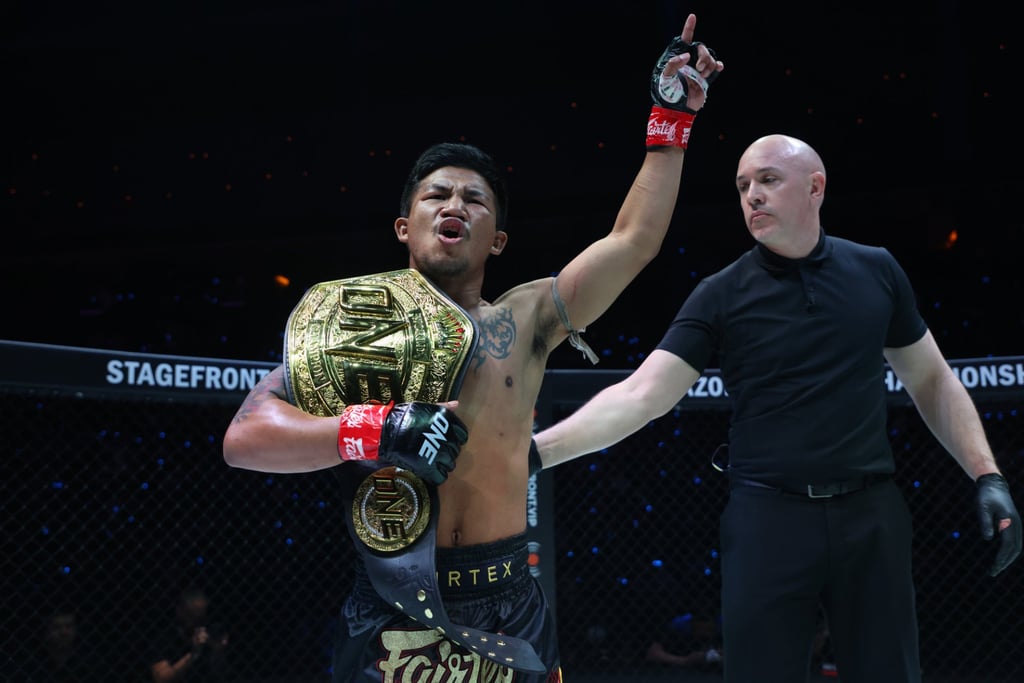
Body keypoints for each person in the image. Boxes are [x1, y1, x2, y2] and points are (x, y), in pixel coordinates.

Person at [222, 13, 723, 683]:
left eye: (474, 197)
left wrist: (670, 123)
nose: (453, 201)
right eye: (436, 193)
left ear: (498, 240)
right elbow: (245, 437)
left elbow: (633, 241)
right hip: (392, 606)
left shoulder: (528, 317)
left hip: (508, 606)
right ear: (406, 225)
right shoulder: (357, 326)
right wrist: (375, 426)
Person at [531, 133, 1022, 682]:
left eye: (767, 180)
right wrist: (533, 452)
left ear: (815, 187)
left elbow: (931, 379)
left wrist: (988, 475)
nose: (751, 196)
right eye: (742, 186)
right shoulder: (722, 293)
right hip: (768, 518)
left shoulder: (877, 270)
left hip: (871, 516)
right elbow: (642, 394)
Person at [147, 587, 230, 683]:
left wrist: (217, 651)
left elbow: (221, 675)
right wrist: (193, 654)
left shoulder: (206, 633)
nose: (195, 622)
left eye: (200, 618)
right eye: (191, 615)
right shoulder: (164, 636)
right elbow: (161, 679)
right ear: (180, 611)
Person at [20, 608, 95, 683]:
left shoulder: (87, 662)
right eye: (56, 627)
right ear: (45, 632)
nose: (64, 632)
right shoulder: (31, 664)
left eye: (69, 626)